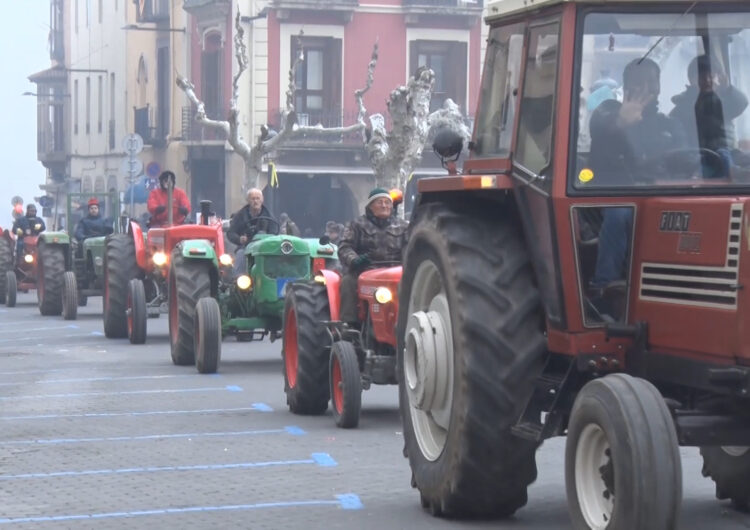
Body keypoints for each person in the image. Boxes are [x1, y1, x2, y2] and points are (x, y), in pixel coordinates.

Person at [587, 58, 684, 316]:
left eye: (652, 82)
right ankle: (603, 285)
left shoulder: (669, 125)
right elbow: (601, 126)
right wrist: (621, 122)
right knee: (620, 213)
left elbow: (687, 159)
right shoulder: (608, 112)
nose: (646, 88)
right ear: (627, 85)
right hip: (613, 194)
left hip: (663, 194)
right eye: (639, 82)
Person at [337, 188, 409, 325]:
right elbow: (345, 247)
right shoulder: (356, 224)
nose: (384, 205)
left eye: (387, 202)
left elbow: (410, 249)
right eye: (379, 202)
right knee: (348, 283)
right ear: (370, 206)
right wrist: (355, 260)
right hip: (364, 269)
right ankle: (349, 325)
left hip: (396, 272)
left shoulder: (404, 226)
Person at [670, 55, 748, 178]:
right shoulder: (682, 107)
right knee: (718, 158)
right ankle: (732, 172)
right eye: (701, 77)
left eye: (711, 75)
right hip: (700, 156)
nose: (707, 80)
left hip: (731, 152)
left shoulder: (723, 101)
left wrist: (728, 89)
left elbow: (740, 103)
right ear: (691, 79)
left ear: (719, 78)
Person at [227, 188, 278, 274]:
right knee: (240, 254)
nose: (255, 201)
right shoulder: (240, 215)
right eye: (253, 199)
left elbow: (275, 232)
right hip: (246, 247)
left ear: (262, 200)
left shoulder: (269, 216)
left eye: (258, 198)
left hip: (265, 248)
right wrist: (239, 239)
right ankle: (238, 280)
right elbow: (230, 233)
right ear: (248, 201)